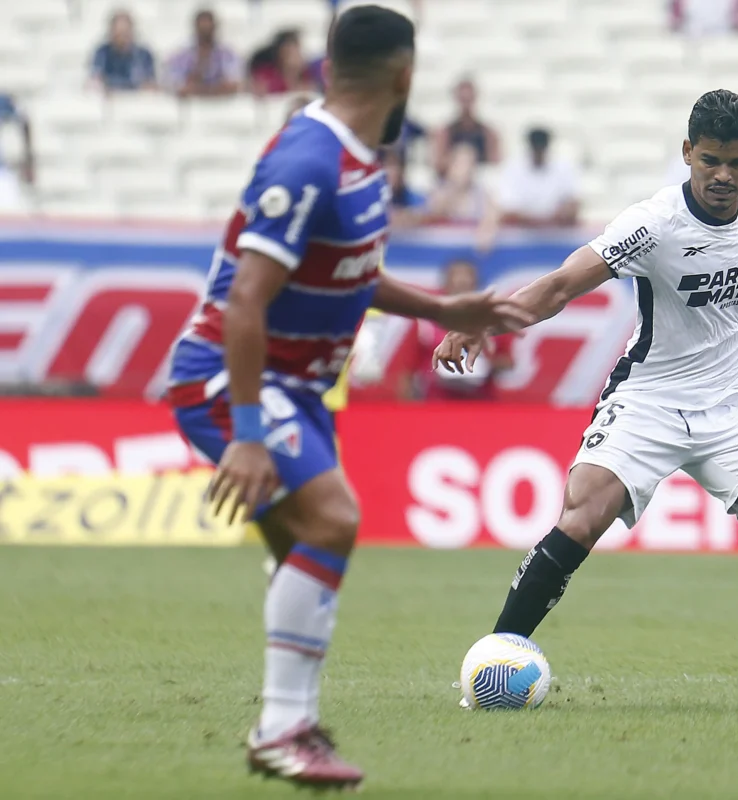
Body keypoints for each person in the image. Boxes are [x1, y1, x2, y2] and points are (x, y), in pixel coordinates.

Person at [164, 7, 530, 788]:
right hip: (234, 378)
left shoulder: (361, 161)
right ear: (405, 75)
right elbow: (245, 304)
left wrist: (443, 309)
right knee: (333, 519)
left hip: (295, 385)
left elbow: (351, 274)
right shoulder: (310, 160)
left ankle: (287, 722)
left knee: (303, 548)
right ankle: (282, 729)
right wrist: (252, 433)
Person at [436, 90, 738, 715]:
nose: (722, 176)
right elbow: (561, 285)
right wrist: (485, 319)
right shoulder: (652, 223)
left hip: (728, 408)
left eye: (734, 161)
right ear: (686, 154)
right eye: (708, 161)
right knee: (583, 515)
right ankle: (497, 656)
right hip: (648, 399)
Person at [398, 259, 513, 400]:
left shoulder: (492, 319)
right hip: (436, 402)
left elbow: (508, 361)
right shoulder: (426, 321)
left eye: (466, 279)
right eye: (456, 278)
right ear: (445, 283)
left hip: (481, 401)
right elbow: (408, 368)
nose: (461, 283)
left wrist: (486, 365)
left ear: (476, 283)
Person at [496, 127, 581, 227]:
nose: (539, 152)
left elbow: (573, 205)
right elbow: (508, 210)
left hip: (556, 231)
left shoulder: (564, 167)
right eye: (536, 148)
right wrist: (542, 220)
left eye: (541, 148)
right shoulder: (512, 168)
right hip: (521, 231)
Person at [431, 77, 501, 176]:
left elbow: (495, 165)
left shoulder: (488, 133)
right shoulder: (444, 133)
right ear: (456, 99)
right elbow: (438, 165)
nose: (466, 104)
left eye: (469, 99)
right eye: (463, 100)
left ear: (475, 99)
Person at [164, 9, 242, 98]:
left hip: (223, 106)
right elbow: (177, 86)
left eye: (208, 27)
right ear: (195, 28)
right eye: (202, 28)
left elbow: (233, 85)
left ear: (215, 28)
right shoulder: (181, 56)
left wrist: (199, 89)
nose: (205, 30)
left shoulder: (228, 54)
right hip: (191, 106)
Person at [89, 10, 157, 92]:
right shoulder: (102, 53)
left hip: (138, 101)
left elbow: (149, 83)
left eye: (125, 33)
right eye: (118, 33)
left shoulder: (144, 55)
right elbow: (96, 79)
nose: (122, 38)